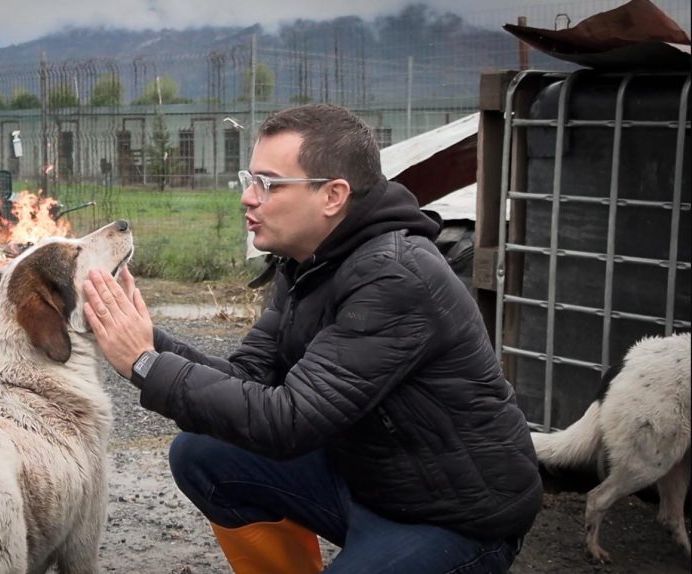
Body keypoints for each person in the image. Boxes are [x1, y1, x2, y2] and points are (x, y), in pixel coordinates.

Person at [83, 103, 542, 574]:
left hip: (453, 516)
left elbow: (289, 422)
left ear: (333, 196)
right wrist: (145, 340)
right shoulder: (306, 261)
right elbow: (249, 378)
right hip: (368, 481)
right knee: (201, 453)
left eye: (269, 183)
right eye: (250, 178)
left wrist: (144, 364)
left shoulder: (395, 276)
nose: (248, 197)